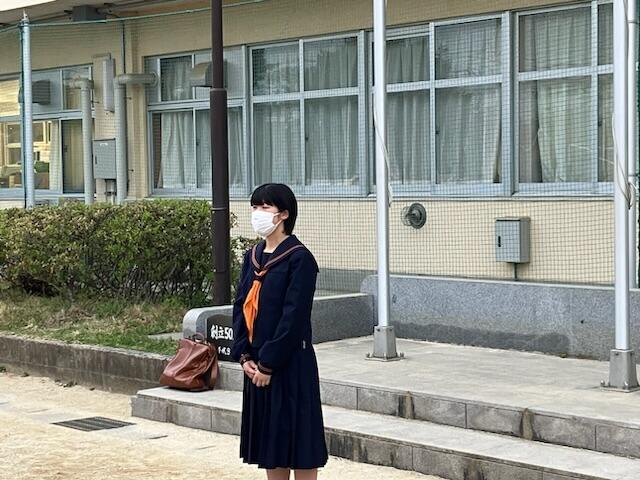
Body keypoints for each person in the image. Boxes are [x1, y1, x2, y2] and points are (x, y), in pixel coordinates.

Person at [231, 183, 328, 480]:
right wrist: (244, 355)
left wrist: (268, 364)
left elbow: (294, 317)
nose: (258, 213)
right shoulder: (253, 256)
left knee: (299, 439)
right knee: (271, 441)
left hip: (290, 363)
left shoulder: (299, 258)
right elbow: (241, 305)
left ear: (283, 214)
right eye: (254, 207)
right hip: (256, 362)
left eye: (265, 207)